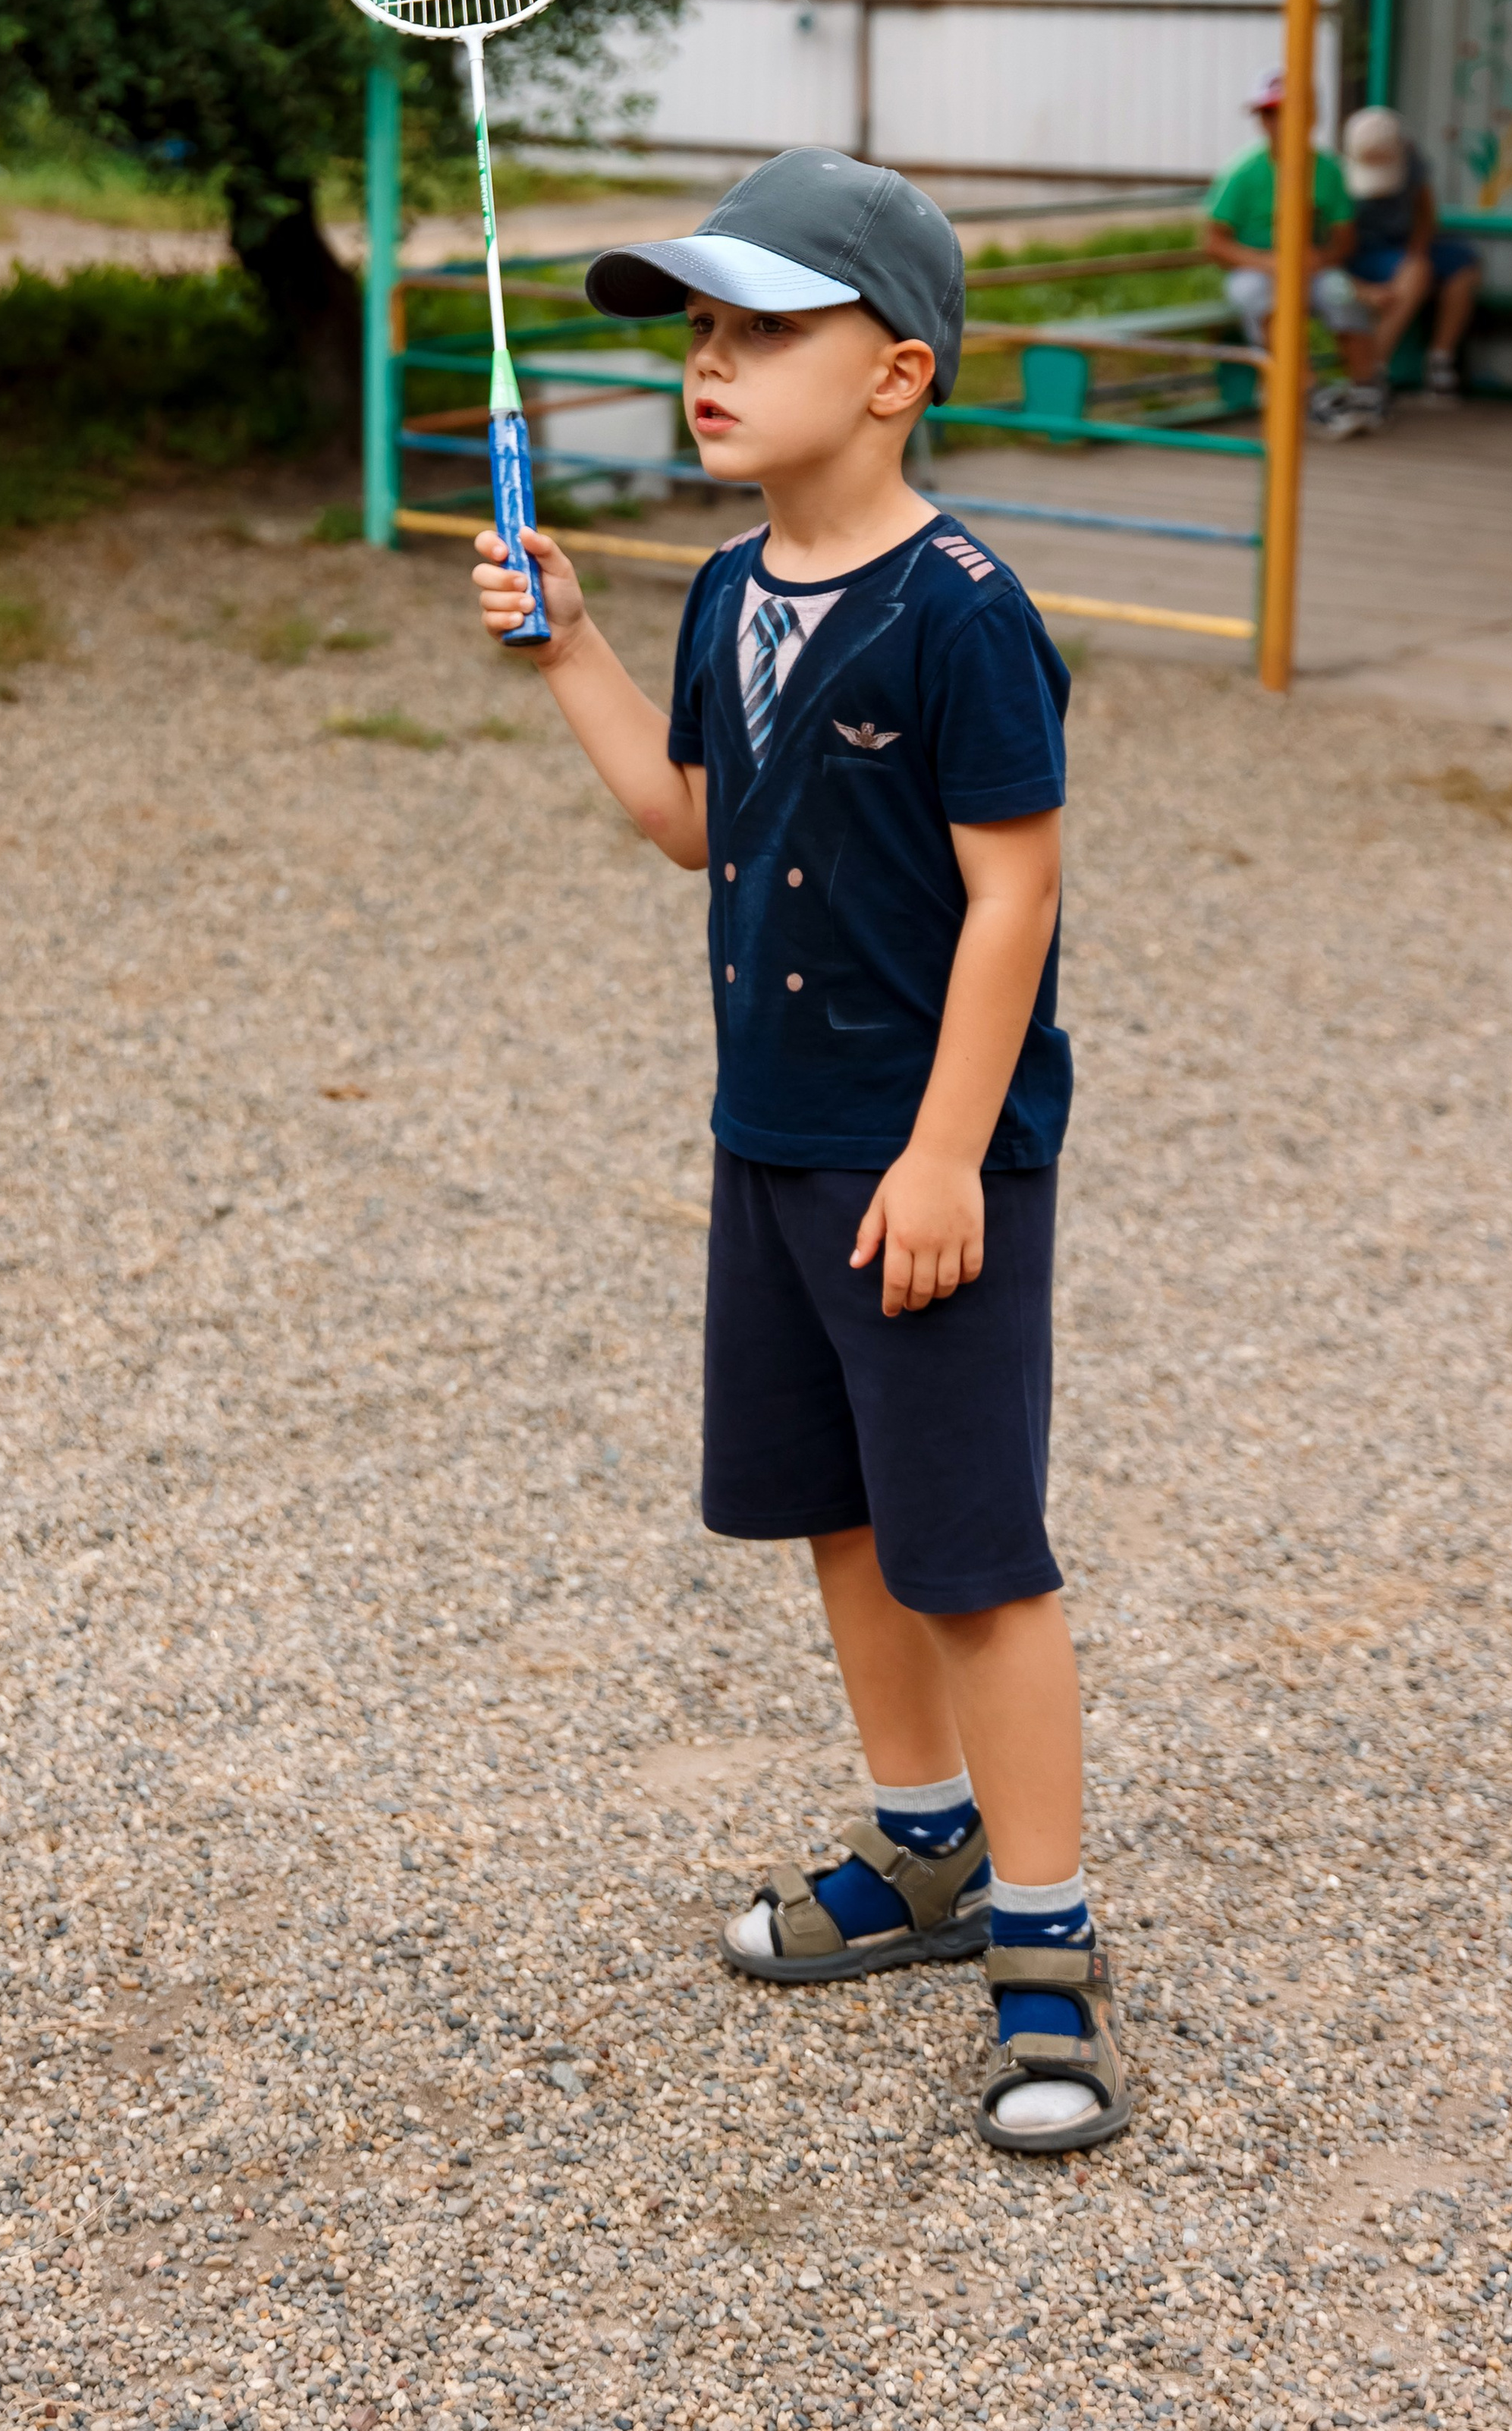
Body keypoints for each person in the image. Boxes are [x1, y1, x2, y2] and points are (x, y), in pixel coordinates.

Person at [471, 148, 1130, 2158]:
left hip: (924, 1167)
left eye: (765, 327)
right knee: (840, 1518)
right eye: (699, 327)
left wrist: (944, 1160)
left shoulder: (965, 616)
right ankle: (925, 1852)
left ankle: (1049, 1952)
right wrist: (570, 642)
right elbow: (688, 821)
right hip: (769, 1146)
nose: (711, 361)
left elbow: (1013, 905)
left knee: (972, 1558)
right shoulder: (729, 592)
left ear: (899, 373)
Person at [1204, 68, 1386, 439]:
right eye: (1268, 114)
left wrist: (1322, 259)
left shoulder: (1328, 171)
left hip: (1311, 267)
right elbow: (1215, 243)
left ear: (1310, 115)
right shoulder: (1242, 172)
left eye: (1285, 111)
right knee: (1264, 299)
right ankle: (1311, 396)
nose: (1276, 123)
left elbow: (1344, 240)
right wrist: (1269, 263)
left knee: (1341, 293)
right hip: (1256, 269)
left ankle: (1366, 390)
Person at [1341, 105, 1481, 399]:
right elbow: (1336, 244)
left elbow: (1426, 214)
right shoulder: (1334, 173)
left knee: (1462, 264)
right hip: (1362, 252)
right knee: (1417, 274)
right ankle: (1371, 372)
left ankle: (1439, 360)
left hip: (1403, 245)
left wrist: (1415, 253)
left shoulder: (1411, 158)